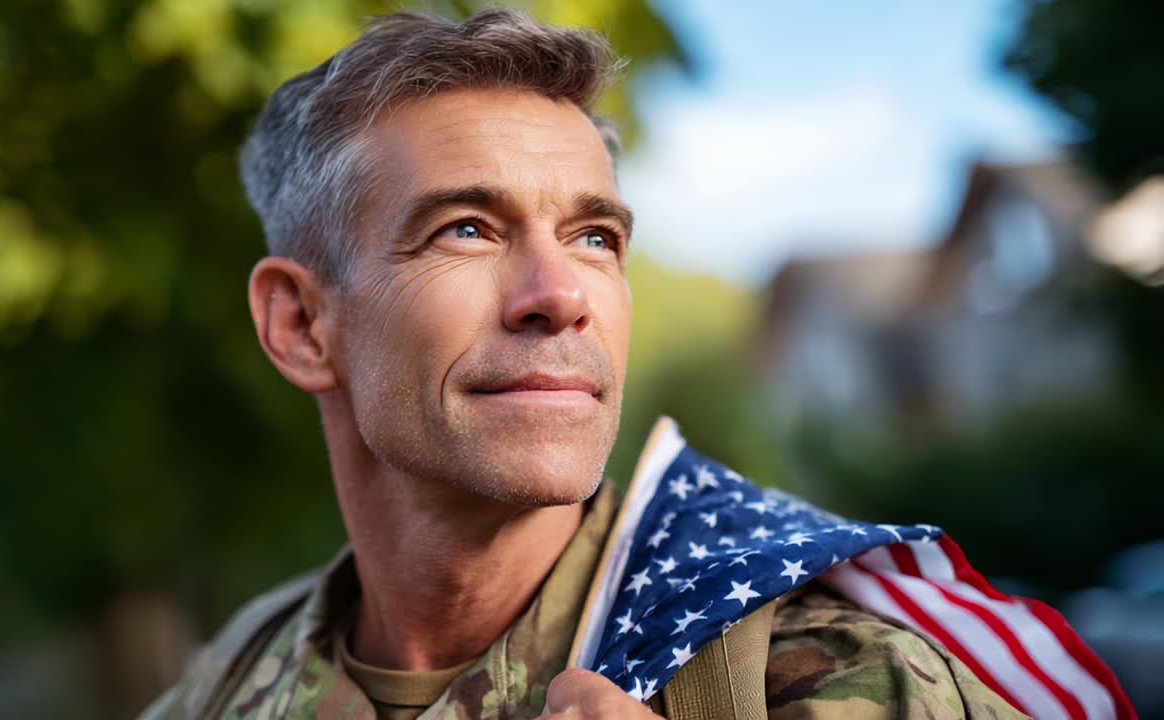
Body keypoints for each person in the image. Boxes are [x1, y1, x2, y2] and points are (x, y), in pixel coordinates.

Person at [140, 9, 1100, 720]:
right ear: (303, 325)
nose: (562, 295)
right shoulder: (226, 684)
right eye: (466, 229)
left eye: (595, 237)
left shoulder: (840, 679)